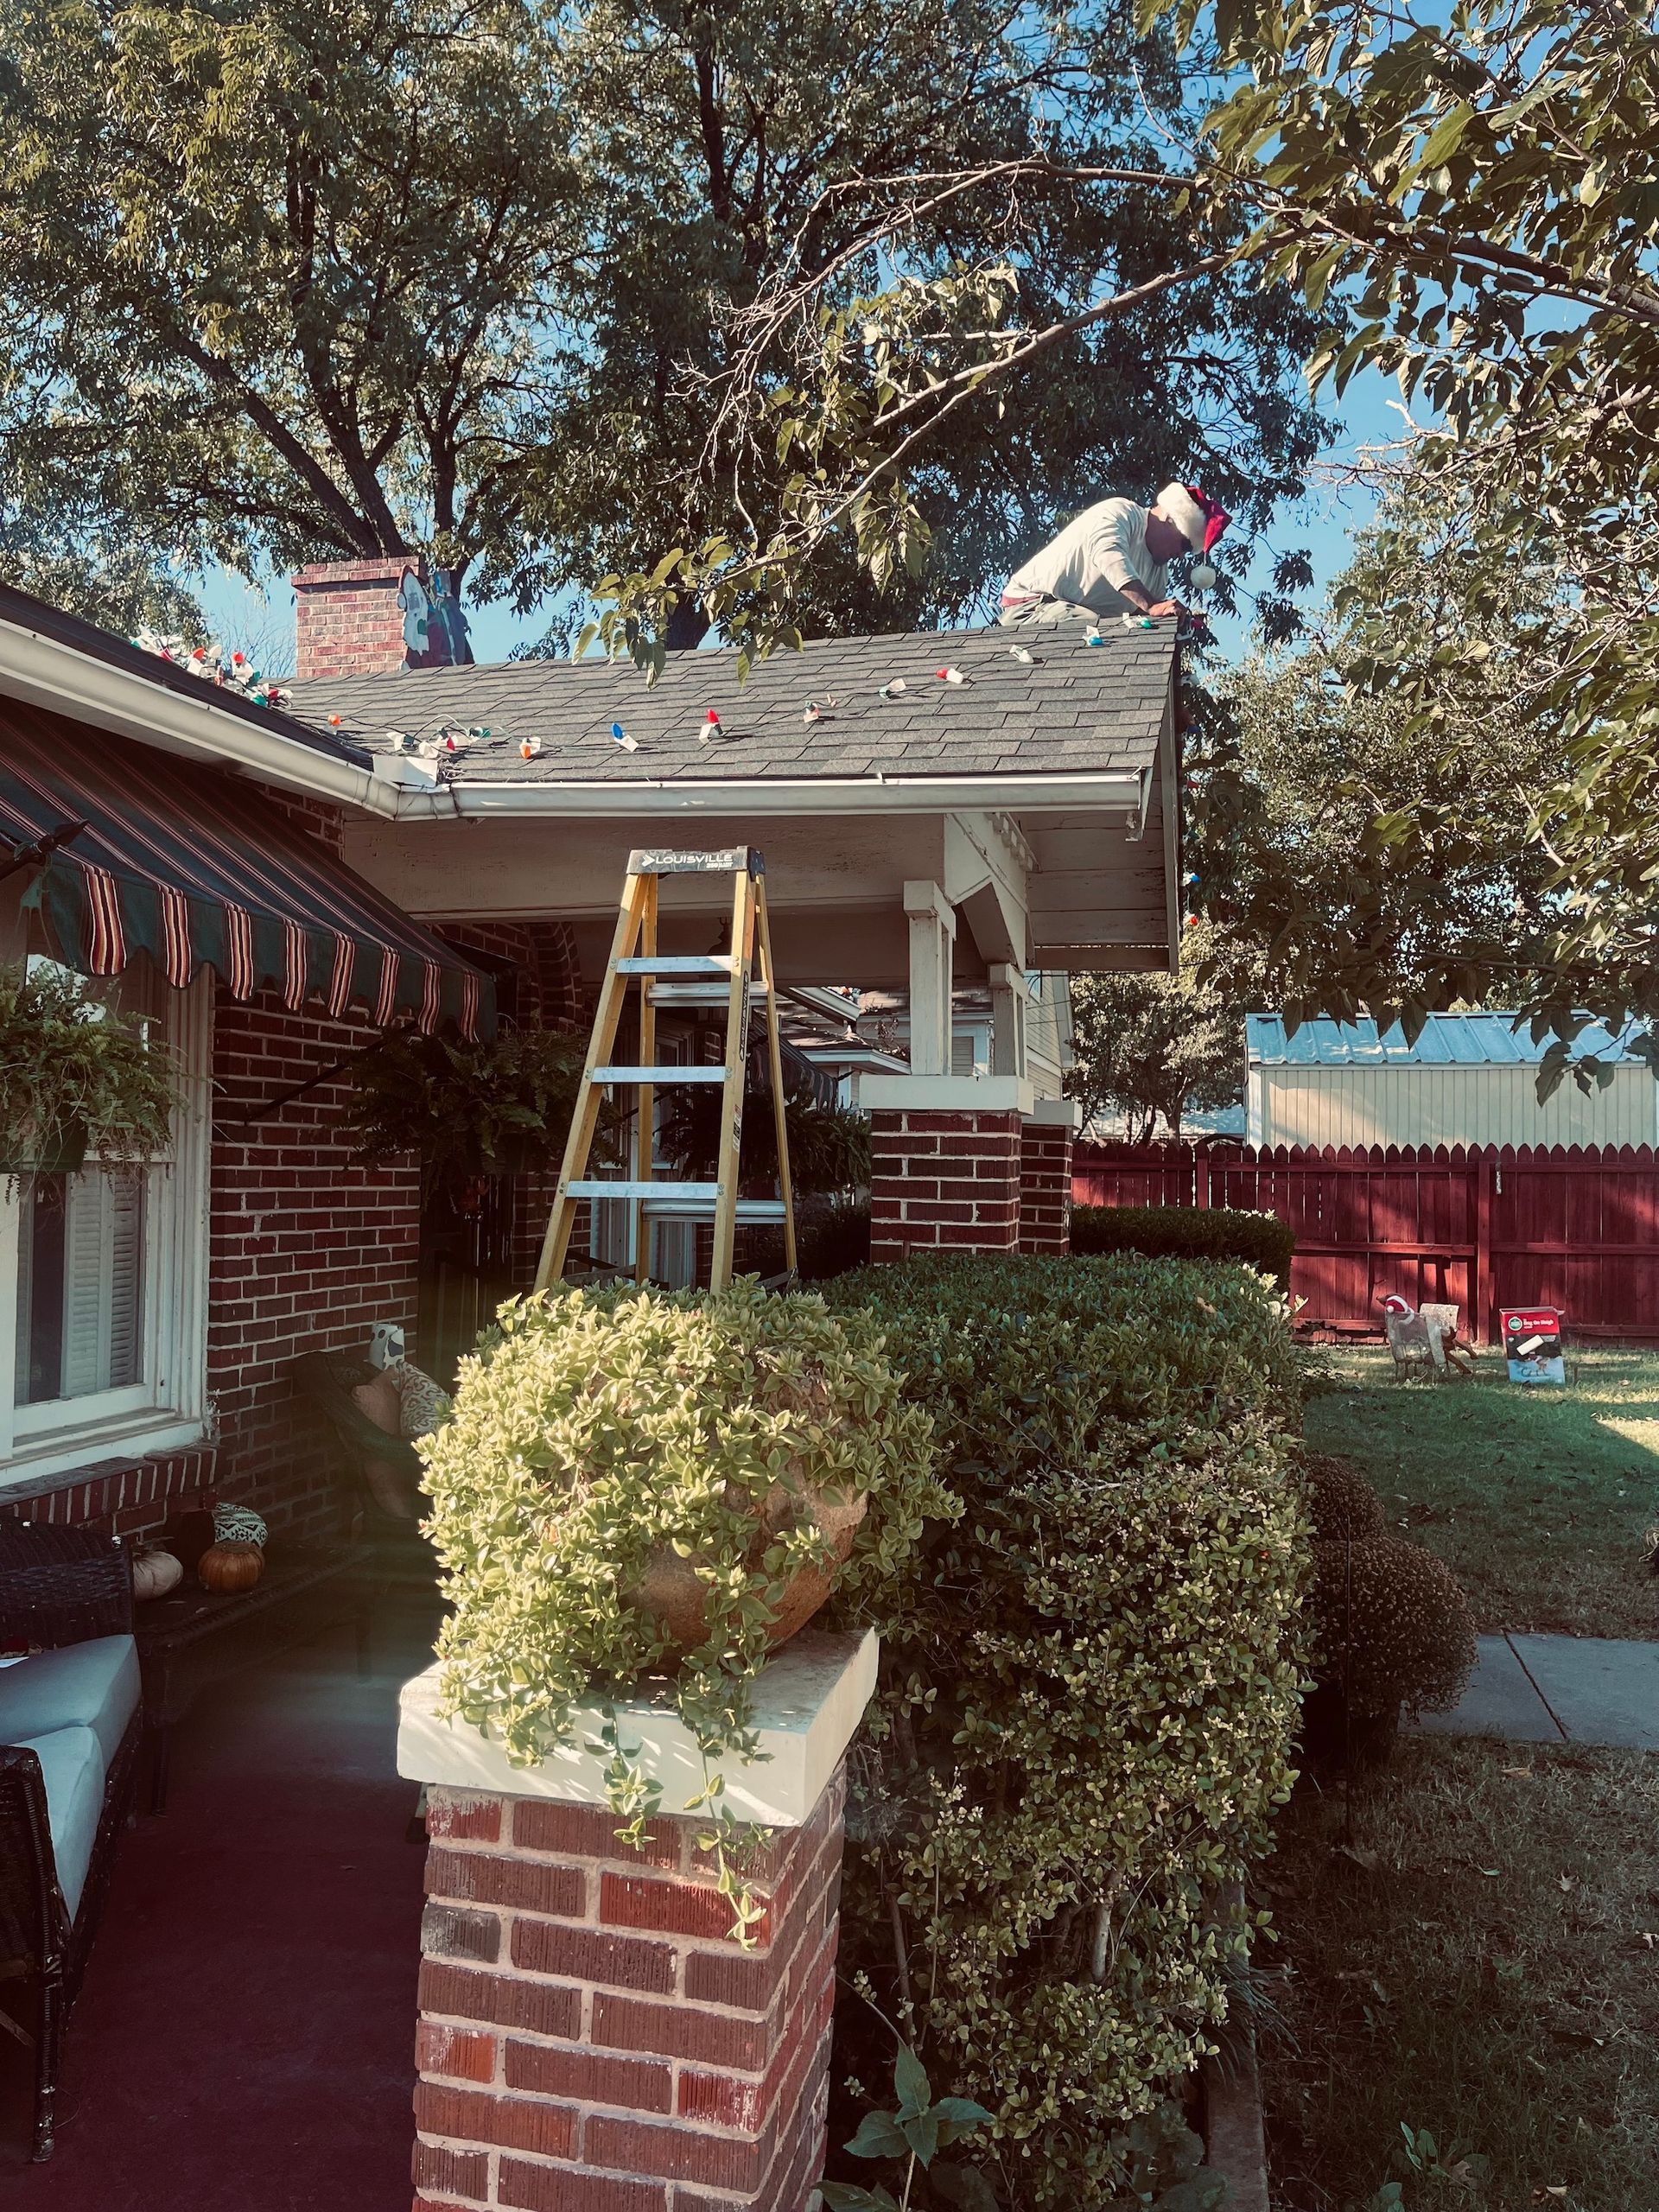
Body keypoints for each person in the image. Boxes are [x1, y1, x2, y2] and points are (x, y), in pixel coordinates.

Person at [998, 482, 1229, 626]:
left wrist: (1171, 618)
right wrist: (1151, 605)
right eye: (1186, 545)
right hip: (1029, 606)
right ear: (1171, 520)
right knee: (1090, 630)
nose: (1181, 556)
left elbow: (1148, 623)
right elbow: (1108, 555)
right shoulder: (1121, 513)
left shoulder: (1158, 575)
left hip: (1070, 616)